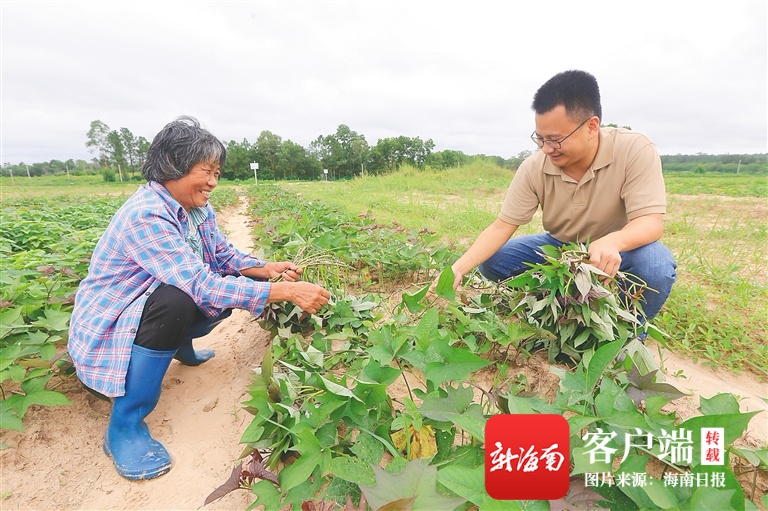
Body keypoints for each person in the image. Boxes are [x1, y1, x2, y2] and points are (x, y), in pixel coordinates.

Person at [67, 116, 331, 481]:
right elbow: (200, 286)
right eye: (206, 171)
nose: (213, 182)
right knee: (179, 299)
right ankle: (125, 424)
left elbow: (223, 256)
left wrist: (265, 268)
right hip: (114, 324)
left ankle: (179, 346)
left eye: (217, 173)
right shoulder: (147, 214)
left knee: (222, 283)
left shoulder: (196, 209)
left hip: (148, 306)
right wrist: (284, 291)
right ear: (171, 166)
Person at [450, 70, 676, 324]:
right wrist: (458, 268)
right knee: (492, 261)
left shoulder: (634, 148)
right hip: (561, 246)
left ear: (591, 126)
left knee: (655, 265)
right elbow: (503, 225)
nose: (546, 149)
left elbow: (650, 222)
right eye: (540, 139)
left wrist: (613, 242)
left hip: (620, 250)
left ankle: (627, 332)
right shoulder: (534, 166)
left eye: (555, 140)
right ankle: (559, 304)